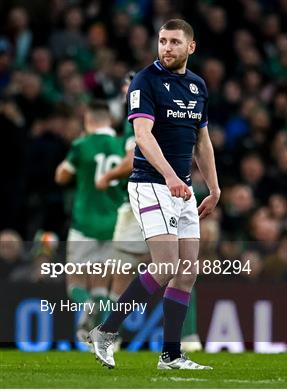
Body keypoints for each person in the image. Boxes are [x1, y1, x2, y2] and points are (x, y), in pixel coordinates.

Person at [87, 19, 220, 370]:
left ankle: (171, 354)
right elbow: (143, 136)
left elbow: (202, 141)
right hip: (151, 183)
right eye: (162, 41)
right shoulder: (145, 81)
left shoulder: (197, 86)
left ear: (191, 47)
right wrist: (171, 175)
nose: (167, 48)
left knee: (187, 271)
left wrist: (215, 187)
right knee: (166, 266)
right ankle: (105, 331)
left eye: (175, 42)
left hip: (184, 187)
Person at [96, 71, 203, 352]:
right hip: (154, 195)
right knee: (176, 266)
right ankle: (181, 339)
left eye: (127, 84)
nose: (125, 89)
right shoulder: (141, 114)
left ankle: (111, 333)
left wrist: (107, 178)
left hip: (145, 199)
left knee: (139, 269)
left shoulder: (145, 114)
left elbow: (133, 157)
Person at [55, 100, 125, 342]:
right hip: (114, 226)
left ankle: (86, 308)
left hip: (84, 225)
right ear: (110, 121)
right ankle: (105, 337)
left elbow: (61, 176)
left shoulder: (81, 145)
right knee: (101, 285)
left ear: (88, 120)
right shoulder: (121, 147)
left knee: (75, 281)